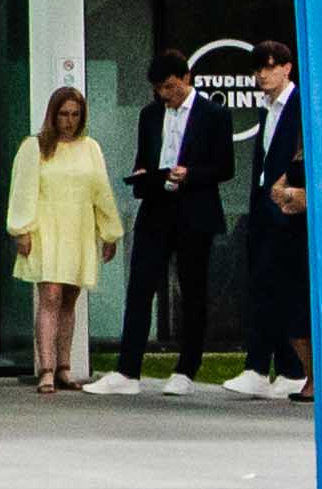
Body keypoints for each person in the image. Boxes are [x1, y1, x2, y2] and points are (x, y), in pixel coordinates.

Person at [98, 53, 233, 397]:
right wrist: (143, 175)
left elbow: (225, 167)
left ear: (186, 78)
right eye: (159, 89)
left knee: (192, 290)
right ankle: (128, 370)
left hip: (194, 210)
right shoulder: (150, 114)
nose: (165, 95)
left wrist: (191, 174)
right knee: (140, 287)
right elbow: (144, 158)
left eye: (170, 87)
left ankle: (187, 368)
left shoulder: (214, 114)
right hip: (157, 208)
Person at [5, 86, 124, 395]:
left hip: (78, 228)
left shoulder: (90, 148)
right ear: (53, 115)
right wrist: (21, 230)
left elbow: (102, 192)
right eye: (63, 114)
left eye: (75, 115)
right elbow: (22, 190)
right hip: (46, 228)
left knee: (70, 298)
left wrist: (109, 232)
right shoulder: (35, 146)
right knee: (50, 295)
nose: (69, 121)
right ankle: (46, 368)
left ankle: (64, 367)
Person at [229, 53, 311, 398]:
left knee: (286, 288)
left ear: (287, 68)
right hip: (267, 205)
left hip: (292, 208)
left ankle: (289, 369)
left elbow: (302, 154)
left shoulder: (301, 104)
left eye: (269, 67)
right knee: (264, 285)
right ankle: (263, 367)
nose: (262, 74)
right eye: (258, 69)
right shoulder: (267, 108)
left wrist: (288, 188)